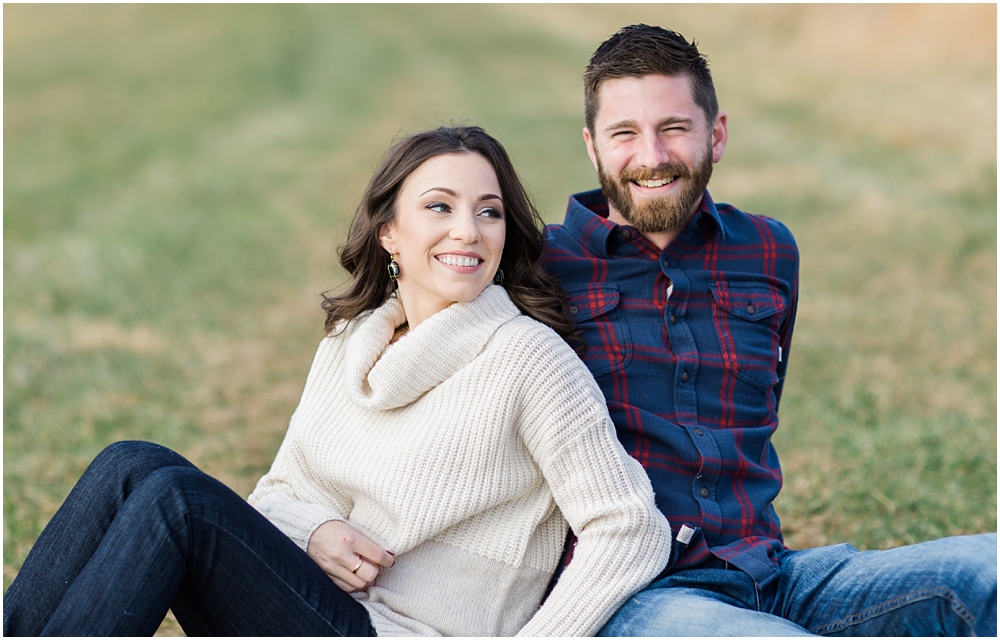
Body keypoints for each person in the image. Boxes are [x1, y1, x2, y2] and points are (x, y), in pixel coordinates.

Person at [3, 126, 671, 637]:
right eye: (439, 207)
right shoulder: (352, 343)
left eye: (489, 211)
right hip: (319, 609)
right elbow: (281, 492)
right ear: (389, 234)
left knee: (180, 502)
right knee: (130, 463)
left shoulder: (528, 359)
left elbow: (629, 527)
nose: (468, 230)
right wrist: (318, 530)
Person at [542, 24, 997, 636]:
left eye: (674, 127)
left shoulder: (768, 250)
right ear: (593, 147)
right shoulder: (536, 266)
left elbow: (761, 406)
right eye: (625, 133)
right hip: (633, 596)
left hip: (772, 576)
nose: (651, 156)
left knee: (985, 569)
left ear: (716, 135)